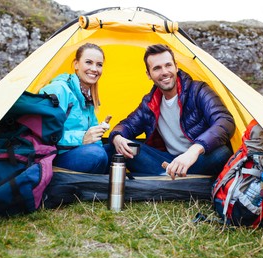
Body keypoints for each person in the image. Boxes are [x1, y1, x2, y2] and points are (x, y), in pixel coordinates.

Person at [108, 44, 235, 179]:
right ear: (148, 74)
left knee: (221, 153)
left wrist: (194, 150)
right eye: (157, 68)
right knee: (122, 147)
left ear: (176, 67)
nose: (164, 72)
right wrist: (117, 137)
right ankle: (172, 174)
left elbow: (225, 121)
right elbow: (127, 125)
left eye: (168, 65)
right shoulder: (150, 102)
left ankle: (165, 175)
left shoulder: (198, 90)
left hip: (198, 158)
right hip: (165, 160)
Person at [39, 43, 110, 174]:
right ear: (76, 64)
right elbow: (42, 134)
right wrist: (82, 137)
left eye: (99, 64)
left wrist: (97, 134)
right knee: (96, 154)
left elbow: (93, 140)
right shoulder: (58, 90)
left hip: (79, 151)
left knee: (120, 149)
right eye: (88, 62)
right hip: (54, 157)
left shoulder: (87, 97)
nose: (94, 69)